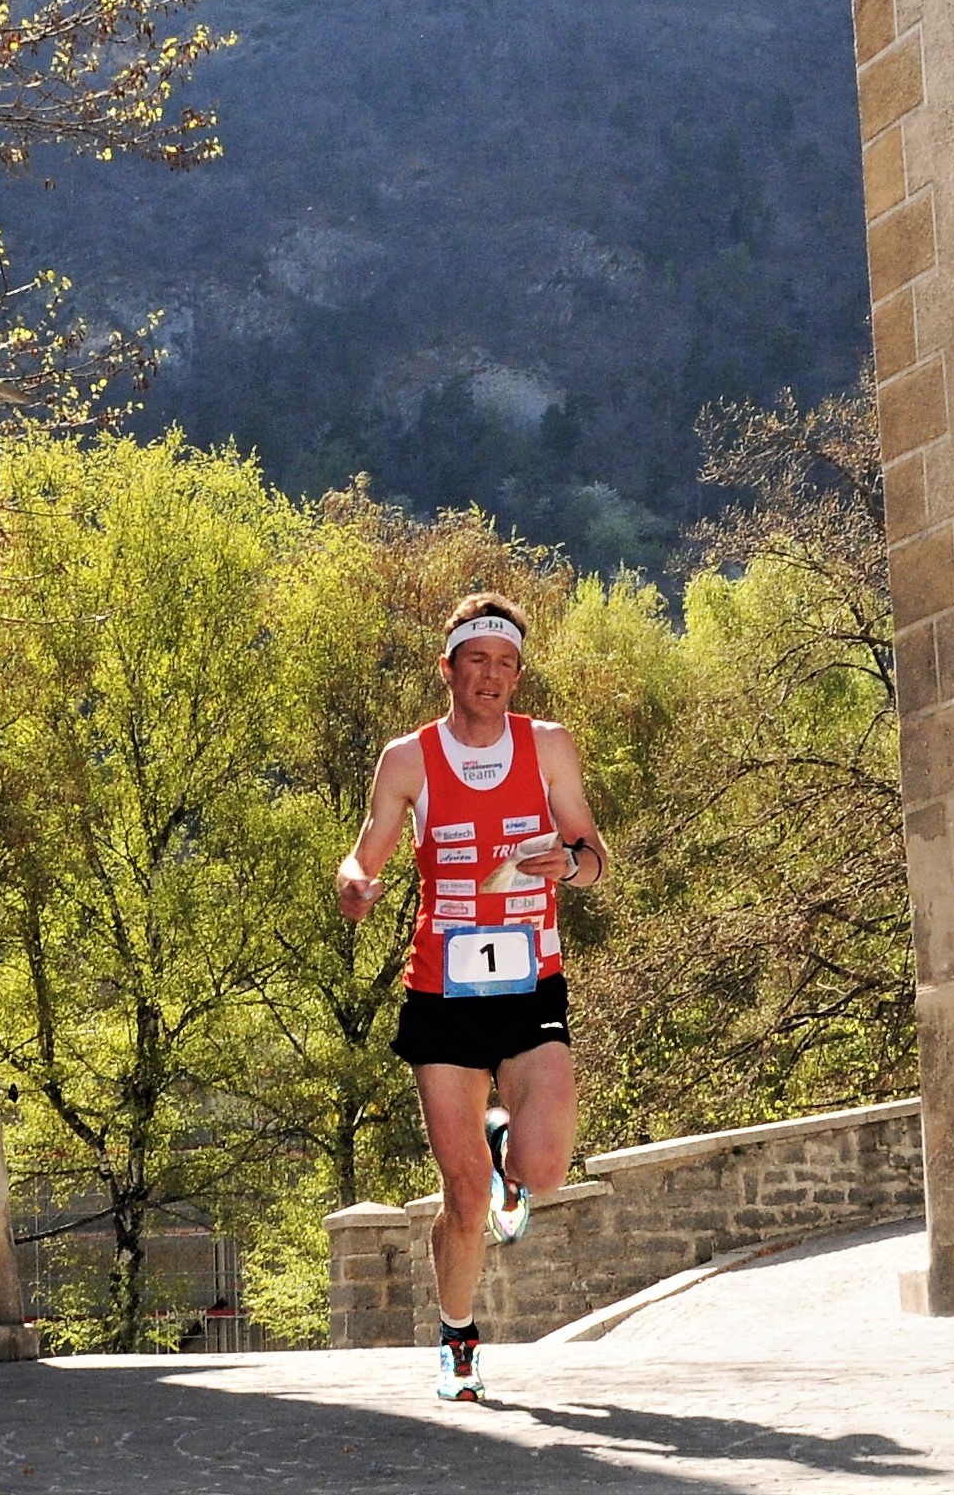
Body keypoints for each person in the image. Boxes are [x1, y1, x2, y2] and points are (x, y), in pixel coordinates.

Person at [336, 592, 609, 1403]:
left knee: (548, 1165)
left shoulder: (549, 746)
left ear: (518, 674)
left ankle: (511, 1168)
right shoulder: (409, 759)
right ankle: (459, 1337)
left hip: (531, 978)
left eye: (506, 663)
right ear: (449, 668)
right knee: (460, 1196)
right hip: (443, 990)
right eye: (476, 660)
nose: (491, 676)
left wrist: (573, 864)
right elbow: (362, 861)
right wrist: (356, 888)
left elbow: (593, 851)